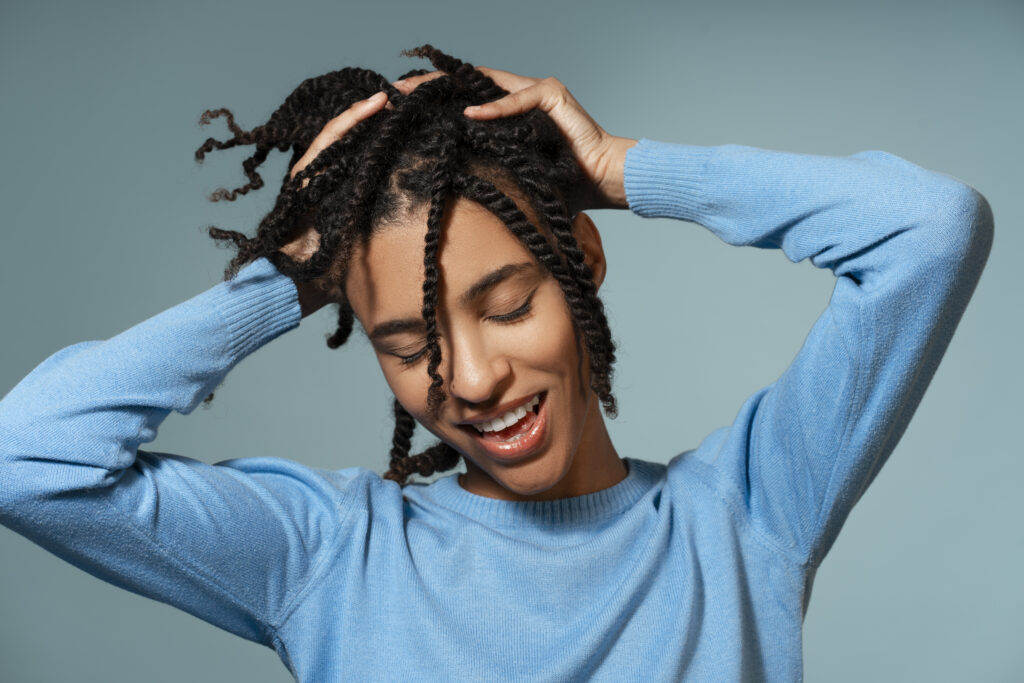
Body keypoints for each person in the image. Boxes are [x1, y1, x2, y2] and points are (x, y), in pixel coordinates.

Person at [0, 45, 992, 681]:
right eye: (407, 342)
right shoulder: (330, 554)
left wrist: (613, 168)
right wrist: (305, 266)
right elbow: (28, 454)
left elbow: (928, 229)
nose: (470, 378)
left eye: (507, 303)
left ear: (580, 266)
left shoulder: (744, 519)